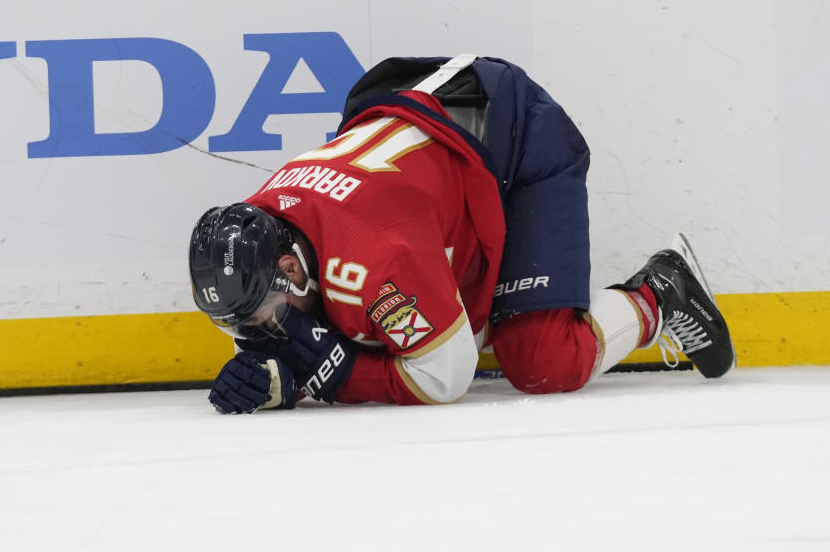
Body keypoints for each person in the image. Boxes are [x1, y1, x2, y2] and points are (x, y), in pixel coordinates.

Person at [188, 54, 736, 414]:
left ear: (289, 269)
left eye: (258, 319)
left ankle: (660, 290)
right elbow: (307, 320)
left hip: (514, 140)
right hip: (417, 116)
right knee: (369, 321)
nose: (253, 334)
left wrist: (334, 376)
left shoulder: (378, 256)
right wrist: (291, 374)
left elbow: (445, 377)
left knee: (542, 360)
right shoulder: (260, 231)